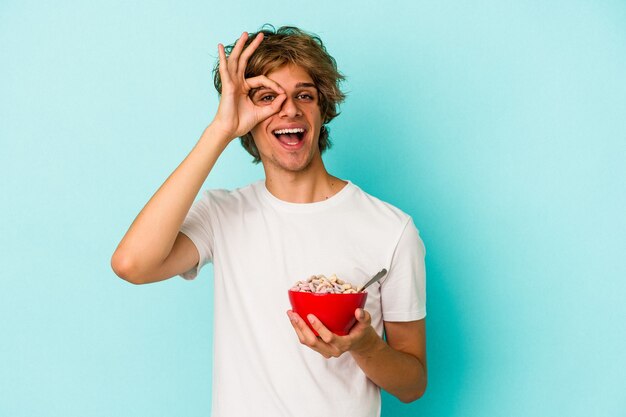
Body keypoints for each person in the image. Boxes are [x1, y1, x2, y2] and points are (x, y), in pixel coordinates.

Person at [111, 25, 427, 417]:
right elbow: (131, 265)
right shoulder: (222, 214)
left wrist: (364, 346)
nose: (289, 109)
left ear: (322, 109)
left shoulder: (392, 229)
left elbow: (413, 384)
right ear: (247, 118)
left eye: (304, 96)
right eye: (267, 98)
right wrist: (219, 131)